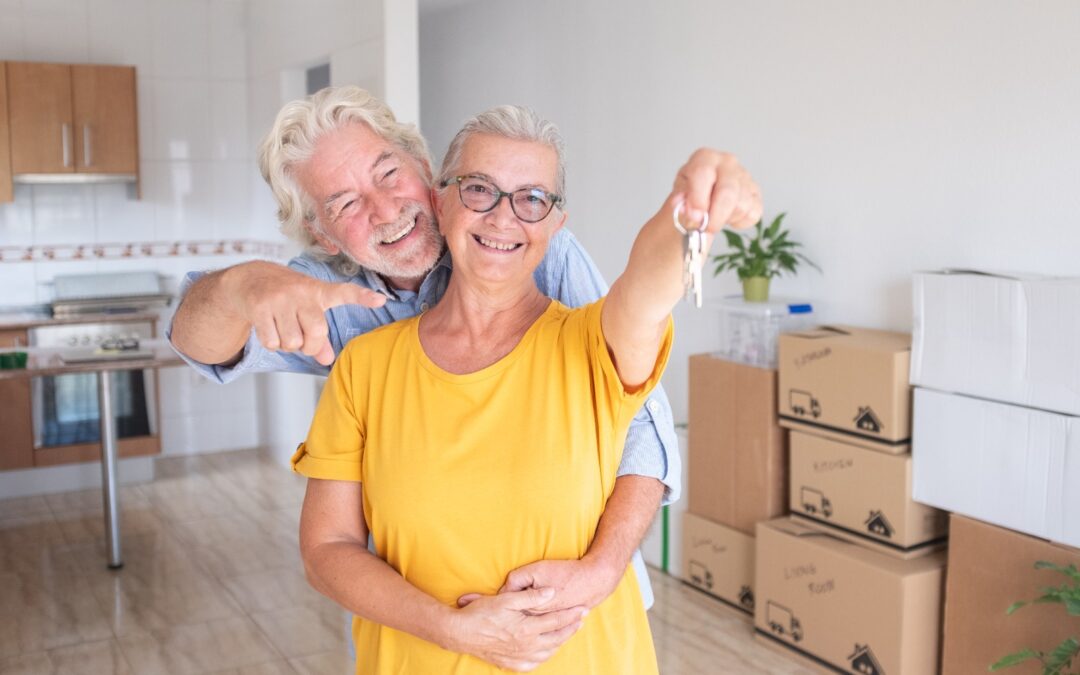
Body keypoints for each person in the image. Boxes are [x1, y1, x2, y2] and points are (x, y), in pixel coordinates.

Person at [167, 87, 682, 655]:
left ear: (428, 173)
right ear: (323, 235)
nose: (386, 211)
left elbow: (636, 418)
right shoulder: (331, 307)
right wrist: (243, 285)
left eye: (389, 175)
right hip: (417, 635)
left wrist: (602, 567)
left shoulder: (527, 241)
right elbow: (199, 343)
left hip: (572, 616)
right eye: (345, 204)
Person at [293, 105, 761, 673]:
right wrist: (452, 629)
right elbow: (325, 552)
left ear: (555, 223)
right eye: (479, 189)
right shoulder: (363, 367)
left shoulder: (593, 346)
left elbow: (646, 288)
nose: (503, 218)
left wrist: (688, 214)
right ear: (440, 201)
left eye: (532, 199)